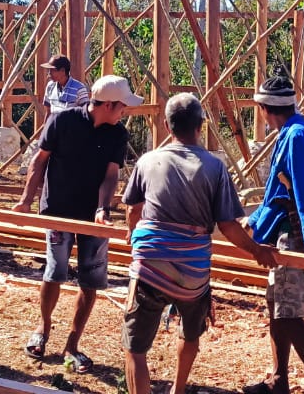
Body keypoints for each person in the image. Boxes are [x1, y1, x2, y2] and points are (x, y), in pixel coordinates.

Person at [121, 93, 279, 394]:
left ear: (167, 125)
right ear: (200, 126)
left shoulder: (148, 161)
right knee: (190, 333)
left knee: (135, 348)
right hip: (193, 275)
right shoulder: (214, 167)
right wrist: (257, 251)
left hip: (151, 267)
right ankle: (178, 390)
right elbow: (228, 225)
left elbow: (133, 210)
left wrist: (132, 234)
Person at [12, 75, 140, 373]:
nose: (125, 111)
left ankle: (72, 344)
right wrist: (26, 200)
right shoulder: (62, 121)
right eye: (122, 106)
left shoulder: (117, 133)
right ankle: (43, 328)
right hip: (58, 210)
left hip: (93, 217)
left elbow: (111, 175)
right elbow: (40, 161)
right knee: (54, 271)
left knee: (90, 279)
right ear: (108, 105)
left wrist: (103, 208)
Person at [244, 76, 304, 394]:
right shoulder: (294, 130)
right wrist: (255, 221)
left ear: (264, 108)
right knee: (277, 306)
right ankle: (278, 380)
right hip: (288, 231)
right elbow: (277, 192)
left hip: (297, 236)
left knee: (288, 316)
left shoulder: (297, 137)